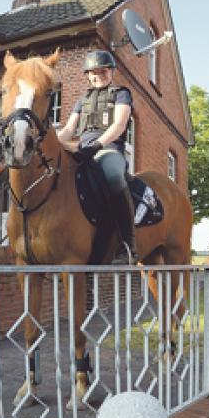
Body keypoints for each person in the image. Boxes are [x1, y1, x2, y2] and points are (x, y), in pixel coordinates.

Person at [57, 50, 137, 265]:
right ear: (87, 75)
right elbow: (68, 130)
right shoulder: (82, 100)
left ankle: (128, 244)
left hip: (108, 148)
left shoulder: (121, 93)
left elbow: (119, 125)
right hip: (82, 150)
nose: (97, 76)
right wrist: (52, 142)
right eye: (93, 72)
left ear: (110, 72)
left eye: (102, 71)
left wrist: (98, 145)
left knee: (113, 176)